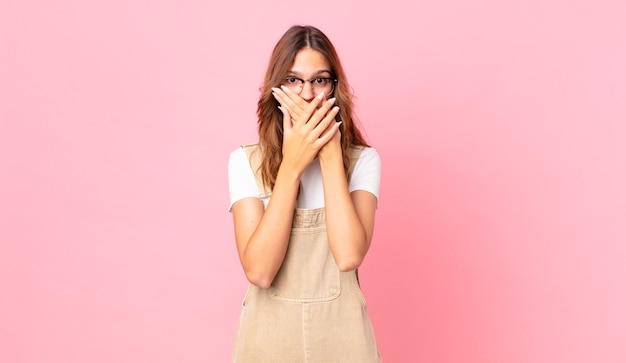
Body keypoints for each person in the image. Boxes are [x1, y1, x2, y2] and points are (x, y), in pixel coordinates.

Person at [228, 25, 382, 362]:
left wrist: (329, 154)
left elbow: (348, 256)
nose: (307, 94)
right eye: (294, 80)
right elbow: (260, 272)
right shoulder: (245, 163)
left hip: (344, 342)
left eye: (320, 80)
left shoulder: (363, 162)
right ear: (277, 88)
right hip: (266, 343)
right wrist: (292, 165)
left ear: (334, 88)